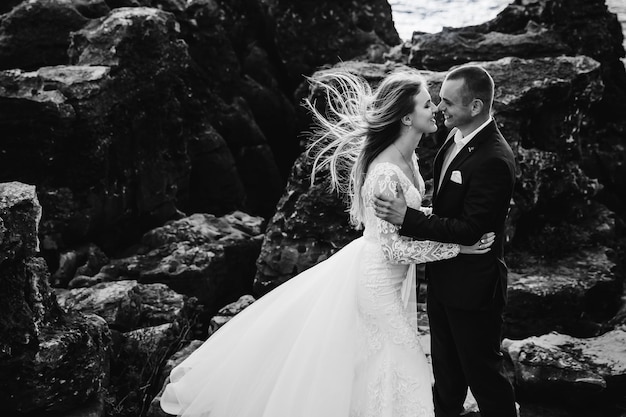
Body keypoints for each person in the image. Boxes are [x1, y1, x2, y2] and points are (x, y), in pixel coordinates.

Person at [159, 68, 494, 417]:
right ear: (408, 117)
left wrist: (450, 224)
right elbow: (394, 247)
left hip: (392, 278)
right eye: (428, 104)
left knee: (375, 365)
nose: (436, 109)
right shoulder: (384, 173)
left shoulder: (409, 157)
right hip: (378, 279)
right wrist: (458, 246)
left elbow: (409, 216)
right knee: (405, 362)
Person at [373, 65, 517, 417]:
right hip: (441, 283)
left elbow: (470, 230)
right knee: (447, 380)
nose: (440, 108)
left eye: (448, 102)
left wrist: (407, 218)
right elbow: (445, 208)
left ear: (476, 107)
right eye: (437, 100)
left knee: (485, 379)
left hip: (474, 291)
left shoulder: (494, 159)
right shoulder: (453, 138)